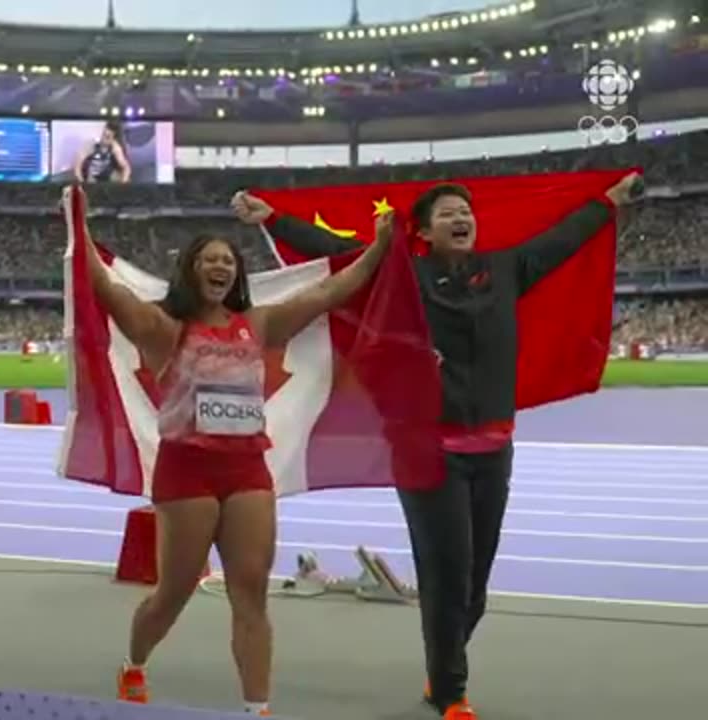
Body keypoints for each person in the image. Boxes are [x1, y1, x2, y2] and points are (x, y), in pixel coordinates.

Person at [231, 172, 641, 720]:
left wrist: (608, 200)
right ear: (423, 230)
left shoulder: (507, 268)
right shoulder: (405, 275)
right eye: (447, 212)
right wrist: (274, 219)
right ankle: (450, 691)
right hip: (427, 450)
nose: (460, 218)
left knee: (474, 586)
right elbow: (336, 252)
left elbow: (564, 238)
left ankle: (442, 663)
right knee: (446, 572)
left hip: (493, 449)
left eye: (464, 211)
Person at [69, 185, 398, 717]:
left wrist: (380, 247)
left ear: (237, 275)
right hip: (186, 473)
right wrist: (75, 226)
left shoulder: (260, 324)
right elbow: (105, 288)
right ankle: (134, 662)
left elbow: (331, 292)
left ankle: (257, 708)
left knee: (252, 596)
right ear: (191, 271)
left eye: (228, 260)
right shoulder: (163, 327)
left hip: (247, 470)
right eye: (209, 259)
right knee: (171, 595)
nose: (220, 266)